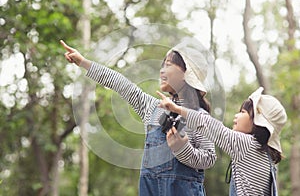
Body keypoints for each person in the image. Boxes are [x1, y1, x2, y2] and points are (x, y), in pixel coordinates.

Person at [60, 39, 217, 196]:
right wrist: (83, 62)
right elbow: (118, 82)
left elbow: (209, 158)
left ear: (185, 75)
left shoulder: (199, 116)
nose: (162, 70)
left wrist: (183, 149)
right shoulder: (152, 108)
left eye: (168, 65)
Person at [157, 87, 287, 196]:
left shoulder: (248, 145)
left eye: (242, 112)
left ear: (257, 122)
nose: (236, 115)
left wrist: (178, 109)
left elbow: (210, 125)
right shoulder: (267, 156)